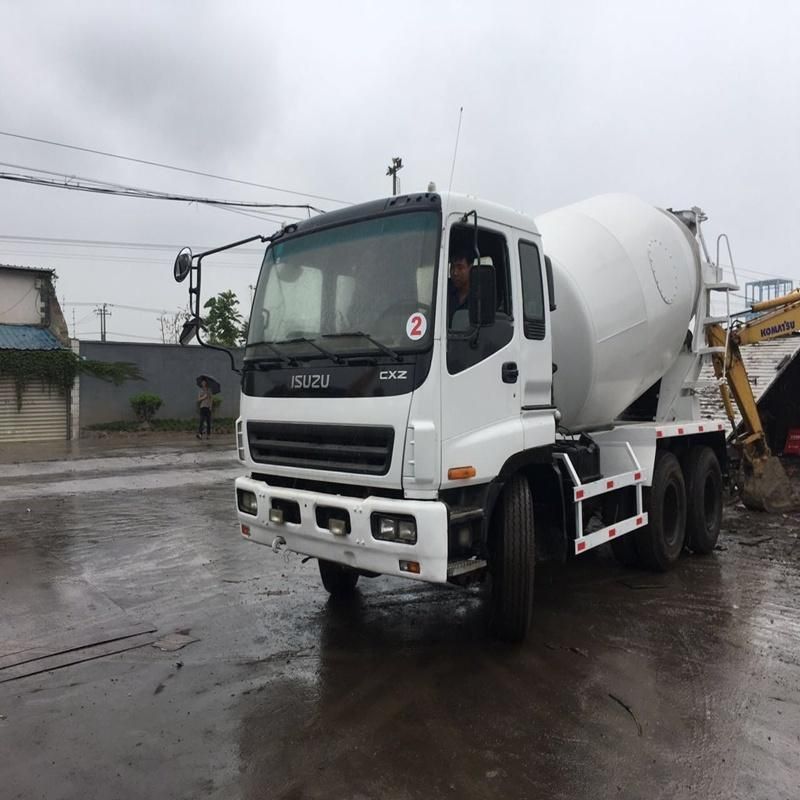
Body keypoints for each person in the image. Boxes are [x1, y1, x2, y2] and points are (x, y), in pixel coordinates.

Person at [447, 251, 472, 327]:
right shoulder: (445, 291)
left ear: (470, 268)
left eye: (460, 267)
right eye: (452, 267)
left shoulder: (479, 296)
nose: (455, 273)